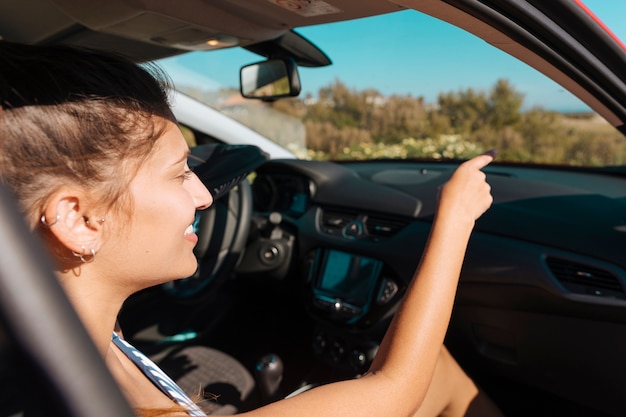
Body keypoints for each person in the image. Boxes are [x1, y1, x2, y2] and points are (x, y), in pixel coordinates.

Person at [0, 41, 501, 417]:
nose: (203, 194)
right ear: (79, 220)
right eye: (179, 174)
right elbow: (395, 387)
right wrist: (454, 219)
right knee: (431, 368)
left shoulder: (73, 333)